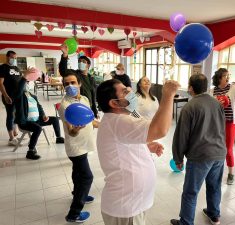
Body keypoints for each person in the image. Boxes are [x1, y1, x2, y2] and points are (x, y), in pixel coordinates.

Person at [96, 79, 179, 225]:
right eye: (124, 91)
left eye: (128, 88)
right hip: (126, 207)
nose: (130, 91)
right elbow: (160, 129)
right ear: (114, 103)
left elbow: (131, 136)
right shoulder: (118, 121)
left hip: (132, 203)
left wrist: (146, 146)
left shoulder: (127, 115)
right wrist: (168, 95)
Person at [170, 74, 226, 225]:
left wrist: (178, 158)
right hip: (219, 153)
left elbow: (181, 135)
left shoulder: (190, 107)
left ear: (190, 88)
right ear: (207, 87)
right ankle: (214, 215)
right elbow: (222, 128)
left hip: (200, 156)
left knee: (190, 192)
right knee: (214, 186)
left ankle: (186, 222)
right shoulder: (217, 104)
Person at [59, 70, 98, 223]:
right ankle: (74, 214)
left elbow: (90, 120)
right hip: (76, 147)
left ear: (79, 83)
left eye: (73, 82)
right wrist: (74, 130)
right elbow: (71, 132)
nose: (70, 86)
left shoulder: (85, 99)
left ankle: (78, 192)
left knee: (77, 172)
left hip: (85, 143)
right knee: (87, 177)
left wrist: (107, 125)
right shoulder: (65, 106)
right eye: (66, 84)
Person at [14, 73, 65, 160]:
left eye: (27, 82)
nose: (26, 84)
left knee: (55, 119)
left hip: (37, 120)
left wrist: (44, 115)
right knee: (38, 128)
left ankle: (58, 138)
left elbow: (39, 107)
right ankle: (30, 151)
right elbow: (18, 90)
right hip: (25, 122)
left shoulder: (32, 95)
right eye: (25, 83)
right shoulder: (19, 96)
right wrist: (24, 78)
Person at [59, 44, 98, 118]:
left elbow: (93, 95)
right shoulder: (75, 74)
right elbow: (63, 71)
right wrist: (65, 55)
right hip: (77, 105)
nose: (81, 63)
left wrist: (95, 111)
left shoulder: (91, 78)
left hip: (88, 106)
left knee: (89, 126)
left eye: (83, 61)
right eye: (79, 61)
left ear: (88, 65)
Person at [0, 50, 24, 146]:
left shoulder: (17, 68)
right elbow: (0, 83)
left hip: (19, 96)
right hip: (9, 96)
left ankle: (15, 133)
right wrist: (5, 96)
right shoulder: (2, 68)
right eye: (12, 57)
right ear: (7, 57)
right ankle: (11, 138)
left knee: (16, 114)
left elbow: (21, 80)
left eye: (15, 58)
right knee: (10, 116)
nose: (13, 59)